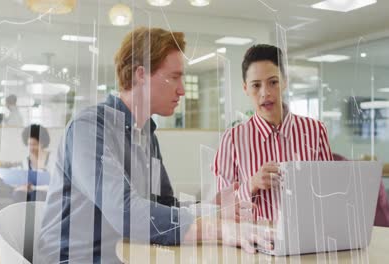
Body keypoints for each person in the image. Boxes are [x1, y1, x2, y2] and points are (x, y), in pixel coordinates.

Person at [38, 27, 272, 264]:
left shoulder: (146, 134)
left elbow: (165, 205)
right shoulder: (88, 127)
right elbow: (125, 212)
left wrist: (210, 209)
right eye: (174, 76)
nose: (181, 89)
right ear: (141, 74)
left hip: (125, 253)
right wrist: (218, 229)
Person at [212, 44, 334, 221]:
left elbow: (331, 194)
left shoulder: (315, 131)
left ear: (284, 82)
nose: (265, 93)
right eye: (256, 85)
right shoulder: (232, 139)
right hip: (254, 243)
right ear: (245, 88)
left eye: (273, 82)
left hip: (307, 241)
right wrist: (252, 184)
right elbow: (221, 208)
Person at [13, 124, 51, 202]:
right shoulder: (26, 161)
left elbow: (54, 182)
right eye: (29, 144)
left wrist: (34, 187)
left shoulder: (51, 158)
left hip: (45, 191)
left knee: (37, 194)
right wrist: (22, 186)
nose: (31, 148)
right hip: (31, 190)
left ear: (42, 143)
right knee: (18, 193)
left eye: (34, 144)